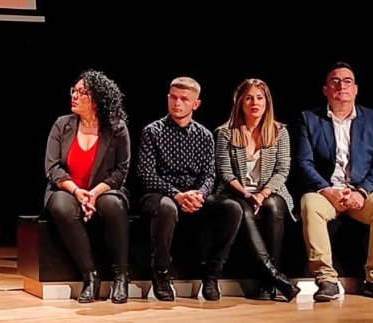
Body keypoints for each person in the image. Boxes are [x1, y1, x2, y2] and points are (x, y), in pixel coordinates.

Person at [293, 62, 373, 301]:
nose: (342, 86)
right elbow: (303, 163)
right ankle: (327, 280)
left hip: (363, 190)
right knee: (309, 205)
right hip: (326, 191)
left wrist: (362, 191)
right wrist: (325, 189)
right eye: (335, 81)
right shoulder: (308, 119)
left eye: (347, 81)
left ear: (356, 89)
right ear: (325, 90)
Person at [136, 76, 241, 302]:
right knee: (166, 207)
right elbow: (146, 174)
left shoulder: (204, 135)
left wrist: (199, 195)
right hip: (160, 194)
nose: (177, 103)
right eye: (173, 97)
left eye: (184, 99)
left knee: (232, 208)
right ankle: (161, 273)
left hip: (194, 195)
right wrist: (177, 194)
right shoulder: (152, 131)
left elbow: (209, 174)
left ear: (196, 104)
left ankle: (212, 274)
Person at [42, 70, 131, 304]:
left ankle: (121, 276)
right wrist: (77, 192)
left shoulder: (117, 128)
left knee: (112, 204)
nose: (75, 96)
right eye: (74, 90)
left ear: (97, 99)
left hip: (104, 190)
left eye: (82, 92)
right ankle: (90, 275)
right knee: (60, 206)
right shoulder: (62, 125)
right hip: (69, 189)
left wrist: (93, 193)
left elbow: (121, 171)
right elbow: (53, 168)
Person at [210, 79, 299, 301]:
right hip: (235, 192)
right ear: (240, 102)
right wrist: (248, 194)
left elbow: (282, 170)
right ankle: (274, 277)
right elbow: (224, 171)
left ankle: (267, 283)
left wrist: (262, 193)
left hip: (269, 192)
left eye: (260, 98)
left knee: (272, 206)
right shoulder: (225, 132)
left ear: (267, 102)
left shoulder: (280, 132)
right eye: (248, 98)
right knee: (244, 209)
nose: (254, 103)